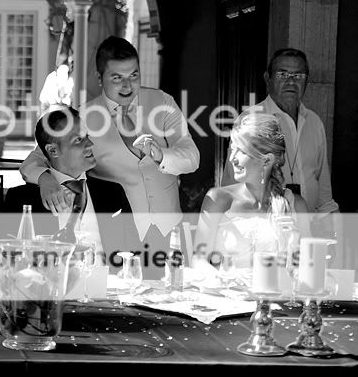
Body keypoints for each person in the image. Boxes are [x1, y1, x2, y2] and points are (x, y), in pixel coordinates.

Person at [20, 36, 200, 276]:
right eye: (117, 78)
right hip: (123, 233)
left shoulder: (163, 102)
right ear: (99, 77)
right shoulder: (83, 117)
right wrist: (45, 180)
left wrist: (161, 156)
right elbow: (35, 158)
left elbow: (191, 156)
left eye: (134, 75)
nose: (127, 86)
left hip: (169, 230)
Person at [0, 106, 129, 271]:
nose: (91, 144)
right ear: (53, 150)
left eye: (87, 137)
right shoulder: (21, 199)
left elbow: (132, 253)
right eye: (78, 140)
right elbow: (4, 259)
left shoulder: (113, 193)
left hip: (109, 285)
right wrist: (44, 179)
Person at [221, 48, 339, 218]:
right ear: (267, 78)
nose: (291, 81)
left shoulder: (314, 122)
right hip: (266, 225)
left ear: (307, 81)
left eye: (298, 75)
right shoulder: (251, 119)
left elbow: (324, 191)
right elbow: (232, 184)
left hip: (310, 224)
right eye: (282, 74)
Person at [195, 113, 310, 269]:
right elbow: (199, 262)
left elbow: (307, 267)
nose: (232, 158)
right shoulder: (218, 200)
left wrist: (291, 244)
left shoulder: (295, 205)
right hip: (225, 285)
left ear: (267, 160)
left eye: (241, 151)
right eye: (232, 150)